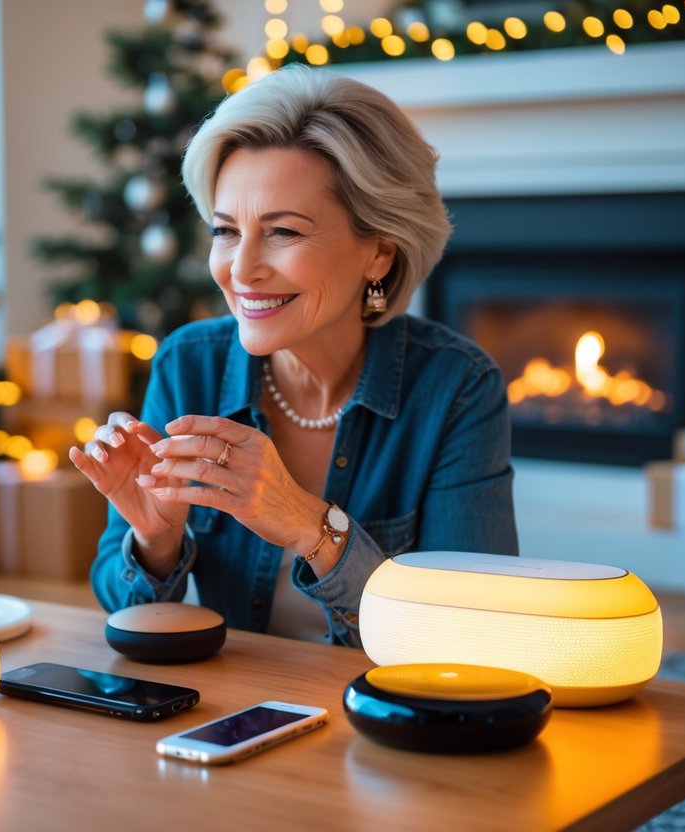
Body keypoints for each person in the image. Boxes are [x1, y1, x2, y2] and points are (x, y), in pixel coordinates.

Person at [69, 64, 517, 647]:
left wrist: (313, 527)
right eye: (226, 230)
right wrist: (156, 543)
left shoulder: (458, 388)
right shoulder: (188, 365)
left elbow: (476, 630)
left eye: (283, 232)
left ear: (379, 252)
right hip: (237, 714)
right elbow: (118, 596)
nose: (242, 269)